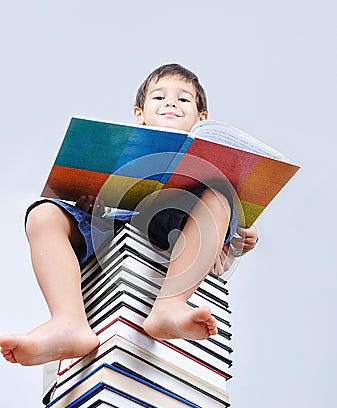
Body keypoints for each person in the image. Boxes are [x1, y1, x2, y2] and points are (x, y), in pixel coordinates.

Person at [0, 63, 258, 366]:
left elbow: (219, 264)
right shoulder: (122, 149)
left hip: (175, 223)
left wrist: (235, 239)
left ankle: (169, 307)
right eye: (159, 98)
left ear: (202, 119)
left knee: (219, 193)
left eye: (184, 99)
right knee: (43, 214)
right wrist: (92, 203)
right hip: (112, 221)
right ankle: (68, 323)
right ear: (140, 114)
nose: (171, 103)